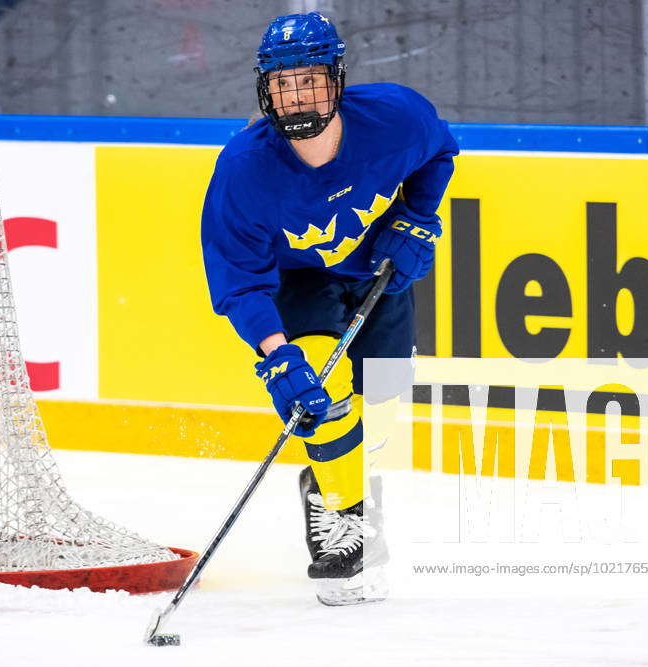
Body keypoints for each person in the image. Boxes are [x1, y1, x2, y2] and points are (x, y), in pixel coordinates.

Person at [200, 12, 458, 605]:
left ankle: (329, 482)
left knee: (382, 414)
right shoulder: (244, 169)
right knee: (323, 388)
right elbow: (240, 283)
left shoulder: (395, 116)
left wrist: (416, 219)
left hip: (378, 276)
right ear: (266, 90)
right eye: (284, 84)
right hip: (301, 282)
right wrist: (277, 356)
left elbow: (439, 152)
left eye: (310, 80)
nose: (298, 96)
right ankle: (348, 522)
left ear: (336, 80)